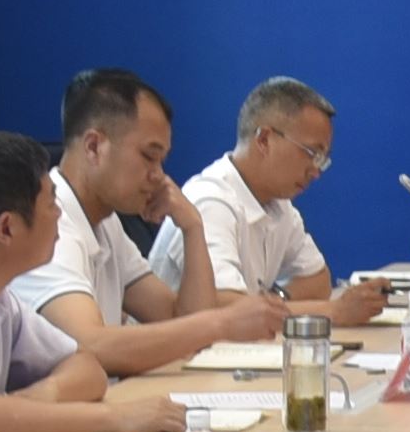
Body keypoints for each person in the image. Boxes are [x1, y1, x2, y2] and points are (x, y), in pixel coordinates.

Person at [0, 132, 193, 432]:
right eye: (52, 203)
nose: (59, 215)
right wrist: (113, 417)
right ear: (7, 228)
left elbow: (88, 368)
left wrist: (34, 399)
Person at [33, 69, 278, 378]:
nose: (159, 175)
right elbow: (89, 346)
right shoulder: (49, 224)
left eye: (162, 161)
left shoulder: (106, 224)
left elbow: (180, 320)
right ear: (94, 147)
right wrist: (222, 322)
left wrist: (192, 227)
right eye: (149, 157)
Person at [178, 77, 399, 330]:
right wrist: (334, 311)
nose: (316, 171)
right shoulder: (211, 200)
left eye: (323, 159)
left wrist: (272, 302)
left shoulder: (278, 203)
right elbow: (221, 306)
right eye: (312, 153)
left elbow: (318, 281)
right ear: (264, 140)